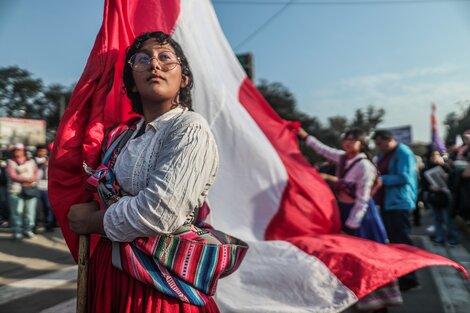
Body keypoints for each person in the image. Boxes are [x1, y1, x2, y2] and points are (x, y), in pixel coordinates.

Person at [67, 31, 246, 313]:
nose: (154, 64)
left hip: (156, 286)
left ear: (184, 78)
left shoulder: (189, 128)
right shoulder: (121, 137)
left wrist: (90, 221)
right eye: (142, 59)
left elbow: (159, 213)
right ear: (133, 84)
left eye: (165, 58)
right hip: (109, 273)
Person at [298, 127, 402, 312]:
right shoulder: (343, 158)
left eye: (353, 140)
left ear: (361, 144)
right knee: (351, 260)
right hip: (346, 212)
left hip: (362, 218)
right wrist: (304, 135)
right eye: (346, 139)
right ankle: (357, 298)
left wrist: (350, 226)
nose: (348, 142)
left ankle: (376, 303)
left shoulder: (364, 166)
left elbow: (362, 200)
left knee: (366, 260)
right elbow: (323, 149)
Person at [372, 130, 419, 292]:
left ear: (389, 140)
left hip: (399, 203)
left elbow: (404, 177)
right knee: (393, 241)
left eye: (380, 143)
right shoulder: (384, 154)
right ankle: (401, 275)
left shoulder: (403, 152)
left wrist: (380, 180)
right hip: (387, 203)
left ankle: (410, 277)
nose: (378, 147)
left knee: (402, 241)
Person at [421, 148, 459, 246]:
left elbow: (453, 182)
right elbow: (423, 185)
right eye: (433, 155)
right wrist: (430, 188)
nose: (435, 157)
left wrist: (447, 176)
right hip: (433, 196)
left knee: (448, 218)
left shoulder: (446, 167)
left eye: (437, 155)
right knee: (437, 218)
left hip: (446, 196)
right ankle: (440, 238)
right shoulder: (425, 169)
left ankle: (452, 239)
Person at [6, 143, 39, 240]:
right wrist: (25, 180)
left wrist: (32, 180)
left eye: (19, 150)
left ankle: (28, 230)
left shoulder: (31, 161)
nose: (17, 151)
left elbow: (36, 173)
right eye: (15, 150)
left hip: (30, 190)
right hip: (15, 190)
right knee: (17, 212)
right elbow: (12, 175)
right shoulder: (10, 162)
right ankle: (17, 230)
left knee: (30, 212)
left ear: (23, 151)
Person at [34, 144, 56, 231]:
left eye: (44, 151)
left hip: (47, 186)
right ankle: (39, 223)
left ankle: (49, 223)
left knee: (48, 206)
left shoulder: (50, 160)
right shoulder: (33, 161)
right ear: (37, 152)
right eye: (41, 151)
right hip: (37, 186)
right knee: (38, 207)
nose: (43, 153)